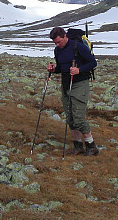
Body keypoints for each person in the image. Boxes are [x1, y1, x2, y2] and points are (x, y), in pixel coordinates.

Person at [47, 26, 99, 156]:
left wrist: (79, 70)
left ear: (65, 36)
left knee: (78, 118)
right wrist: (54, 69)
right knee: (70, 117)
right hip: (66, 84)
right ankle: (78, 146)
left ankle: (91, 146)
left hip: (80, 84)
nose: (57, 45)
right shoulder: (57, 50)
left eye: (59, 42)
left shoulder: (78, 47)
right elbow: (61, 67)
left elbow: (93, 63)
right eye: (55, 43)